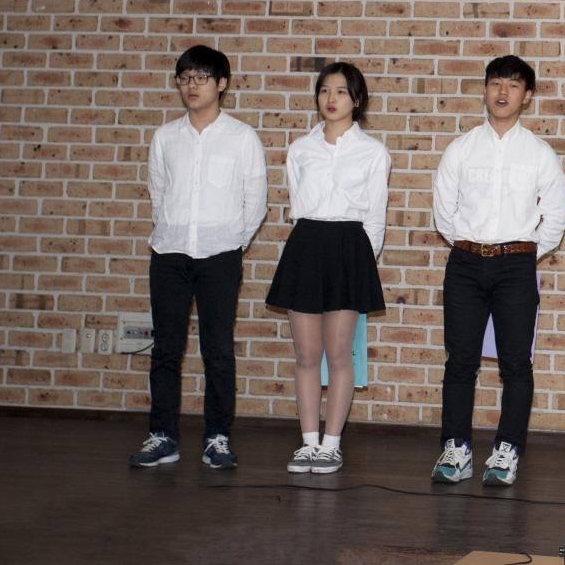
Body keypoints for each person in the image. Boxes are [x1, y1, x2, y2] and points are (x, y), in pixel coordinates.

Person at [430, 55, 565, 487]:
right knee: (460, 362)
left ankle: (507, 450)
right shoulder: (461, 148)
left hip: (516, 267)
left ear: (527, 96)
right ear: (485, 90)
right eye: (495, 83)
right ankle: (456, 449)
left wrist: (524, 253)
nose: (502, 91)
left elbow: (557, 215)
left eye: (513, 84)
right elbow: (444, 212)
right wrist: (470, 246)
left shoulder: (540, 153)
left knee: (515, 365)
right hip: (465, 265)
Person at [130, 45, 267, 470]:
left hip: (220, 256)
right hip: (168, 253)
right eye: (185, 77)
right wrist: (174, 232)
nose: (192, 85)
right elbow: (158, 195)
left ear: (221, 83)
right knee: (165, 349)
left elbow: (256, 201)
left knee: (218, 350)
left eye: (201, 77)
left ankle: (217, 437)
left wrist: (232, 243)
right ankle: (163, 436)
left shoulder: (242, 137)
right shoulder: (165, 137)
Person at [266, 62, 390, 475]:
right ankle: (307, 443)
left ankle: (331, 444)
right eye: (324, 90)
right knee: (306, 354)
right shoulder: (301, 149)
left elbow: (375, 217)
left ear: (357, 99)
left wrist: (360, 263)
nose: (330, 98)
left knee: (338, 354)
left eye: (340, 91)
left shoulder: (373, 152)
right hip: (306, 245)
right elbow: (296, 202)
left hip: (349, 248)